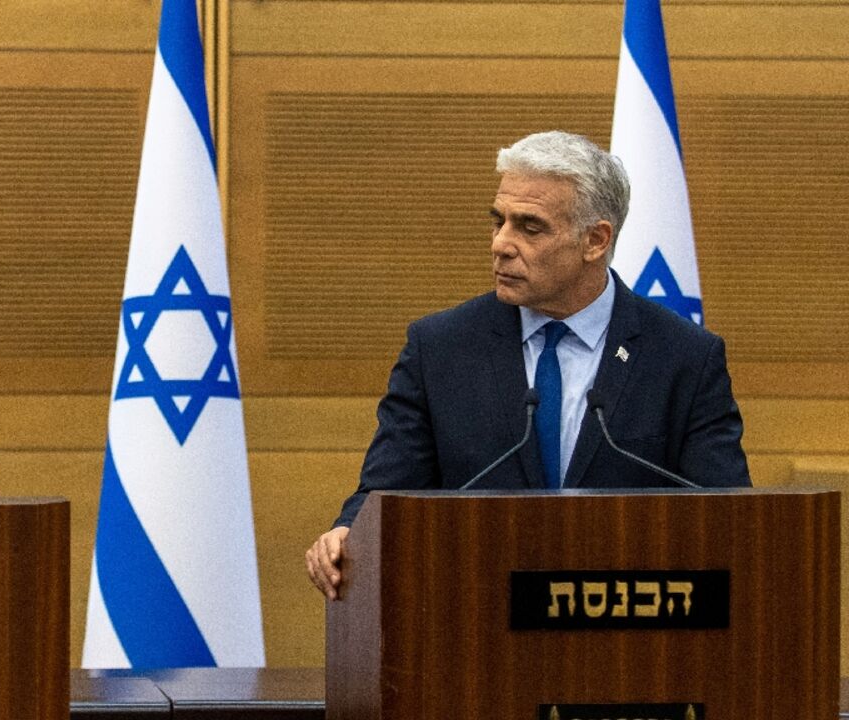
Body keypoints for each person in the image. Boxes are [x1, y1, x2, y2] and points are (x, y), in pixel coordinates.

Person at [305, 130, 749, 599]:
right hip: (475, 611)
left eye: (529, 227)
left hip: (627, 619)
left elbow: (729, 519)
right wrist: (347, 533)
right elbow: (383, 495)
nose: (501, 244)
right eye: (499, 221)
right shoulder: (440, 349)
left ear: (595, 240)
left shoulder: (683, 357)